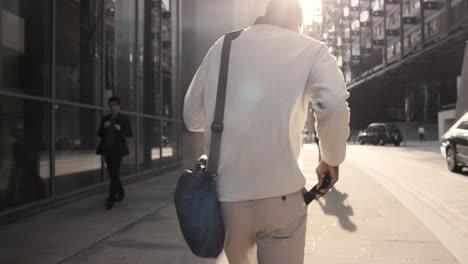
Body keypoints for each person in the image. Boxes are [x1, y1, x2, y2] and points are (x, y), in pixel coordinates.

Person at [183, 0, 350, 263]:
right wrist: (331, 158)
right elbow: (334, 104)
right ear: (298, 23)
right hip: (283, 198)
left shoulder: (223, 46)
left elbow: (192, 117)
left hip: (229, 198)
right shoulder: (312, 50)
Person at [96, 96, 133, 210]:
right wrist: (104, 127)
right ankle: (121, 192)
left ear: (118, 106)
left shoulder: (124, 118)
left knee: (115, 172)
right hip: (107, 149)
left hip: (117, 151)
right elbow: (100, 134)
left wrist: (120, 129)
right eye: (110, 105)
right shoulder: (105, 118)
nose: (112, 108)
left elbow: (130, 134)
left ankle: (110, 199)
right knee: (113, 174)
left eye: (114, 105)